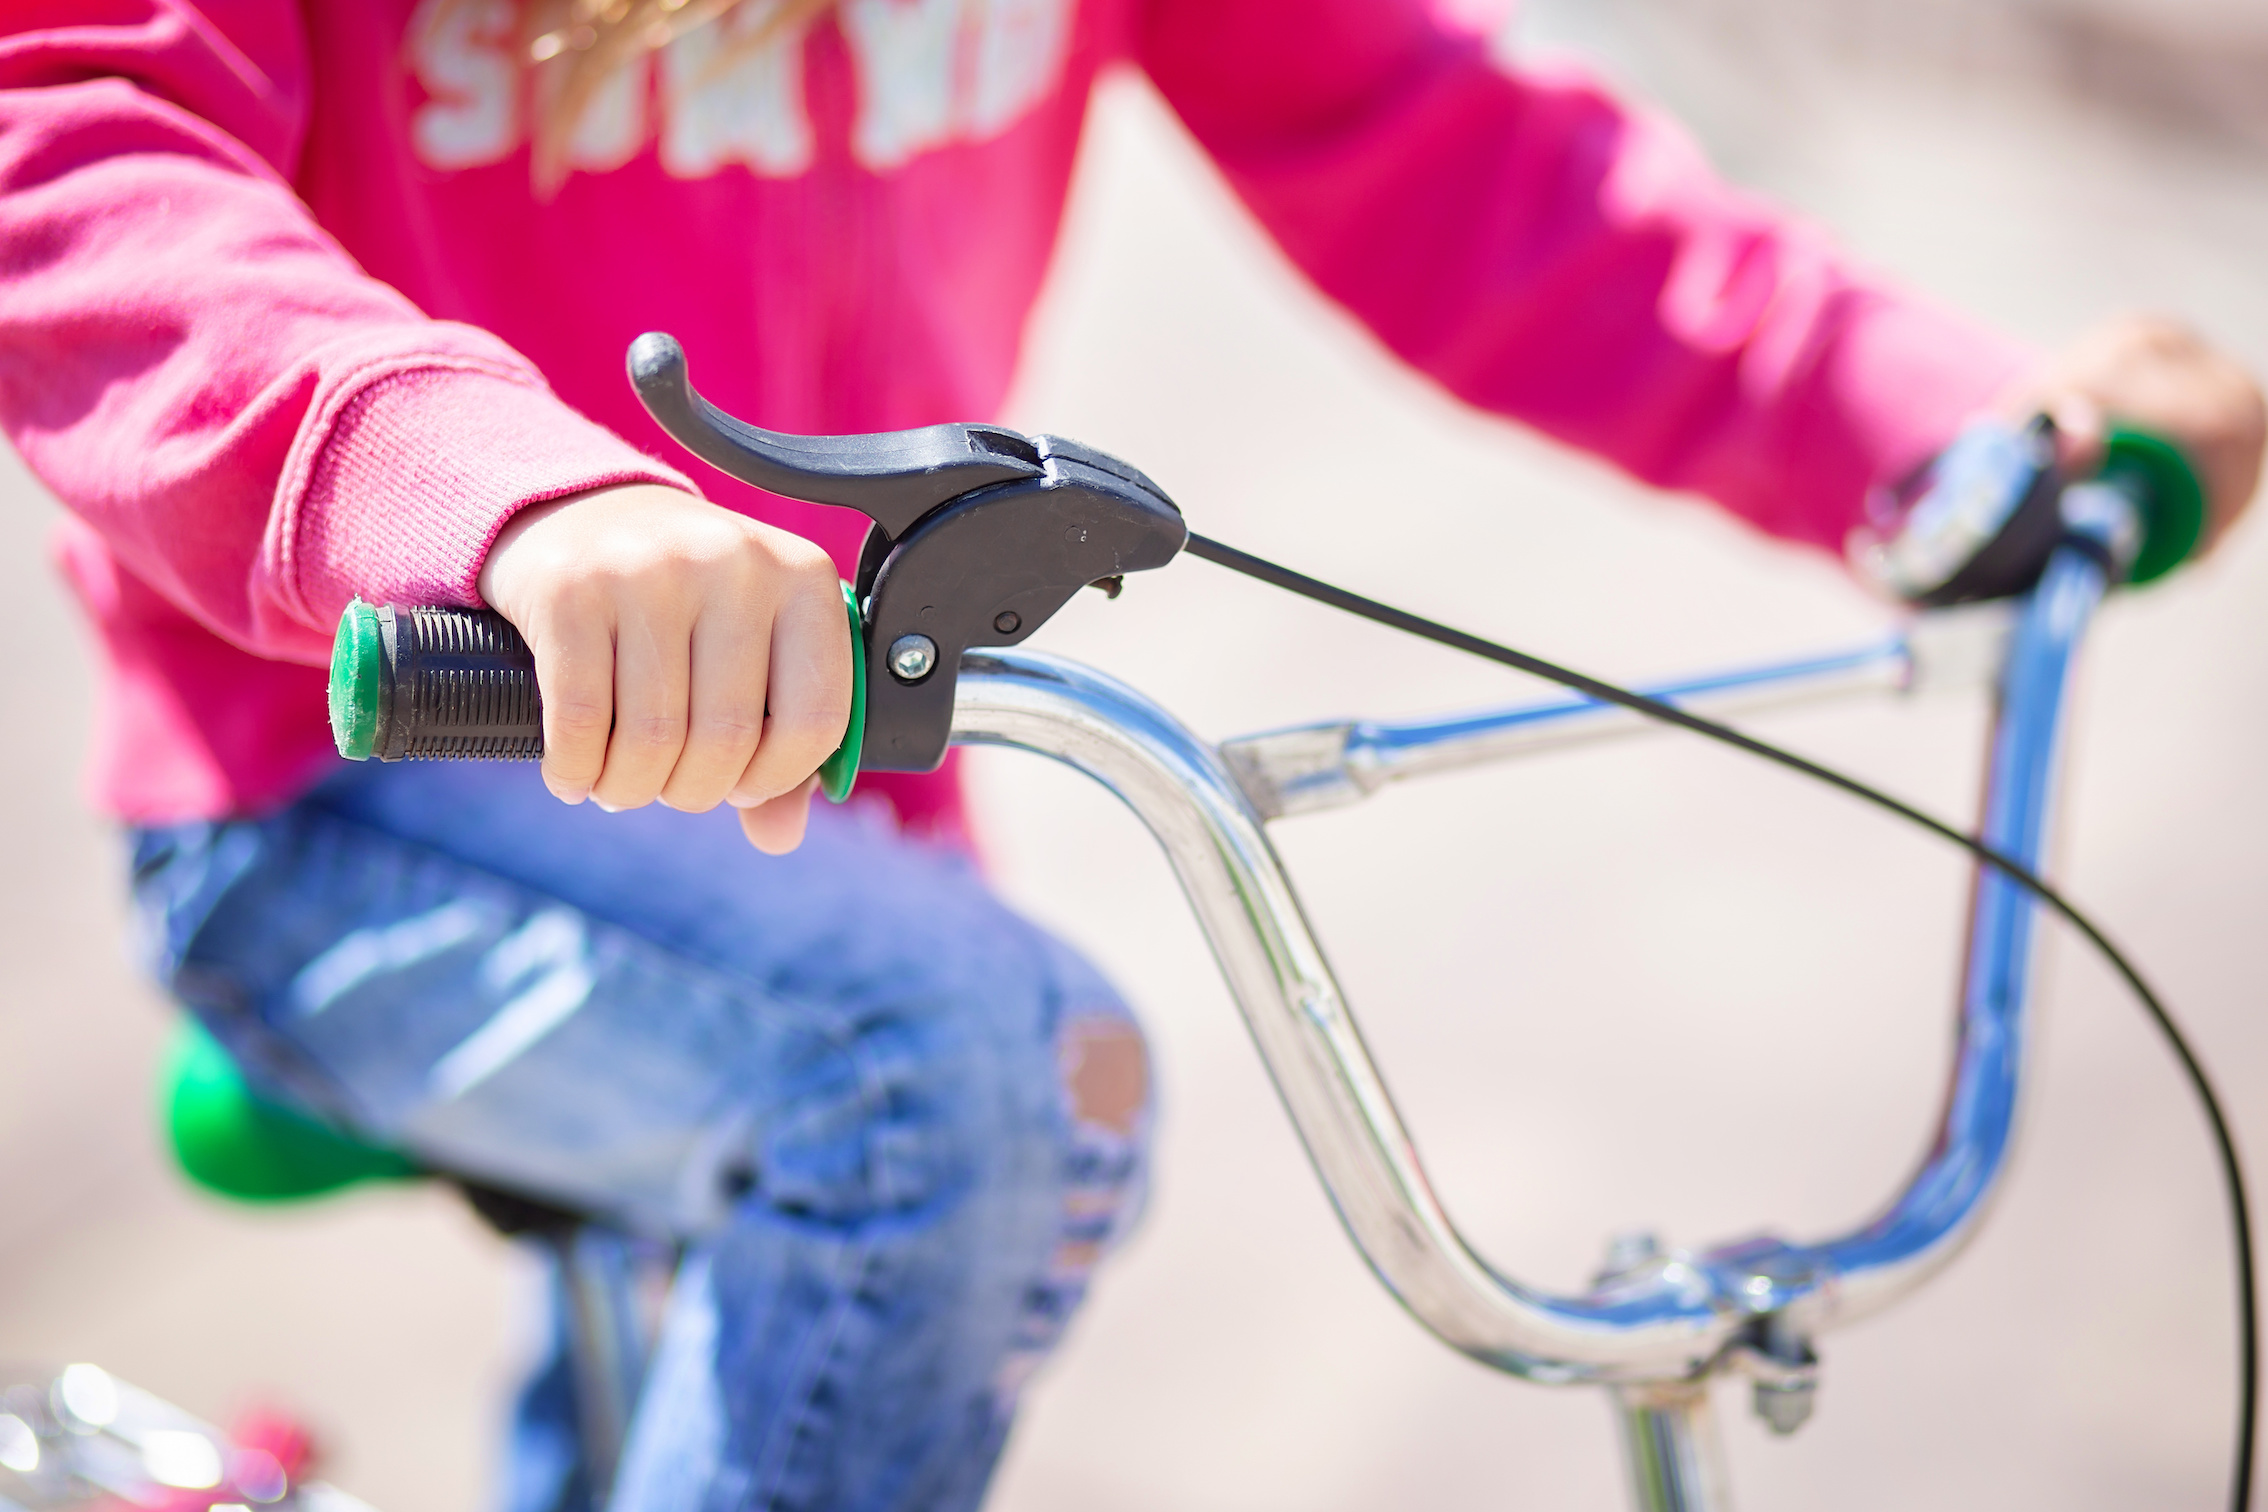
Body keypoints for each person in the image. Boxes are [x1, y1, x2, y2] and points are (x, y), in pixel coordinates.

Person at [0, 3, 2259, 1510]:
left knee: (893, 1084)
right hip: (352, 782)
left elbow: (1455, 155)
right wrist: (502, 496)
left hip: (827, 813)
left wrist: (1956, 436)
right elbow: (77, 137)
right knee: (964, 1081)